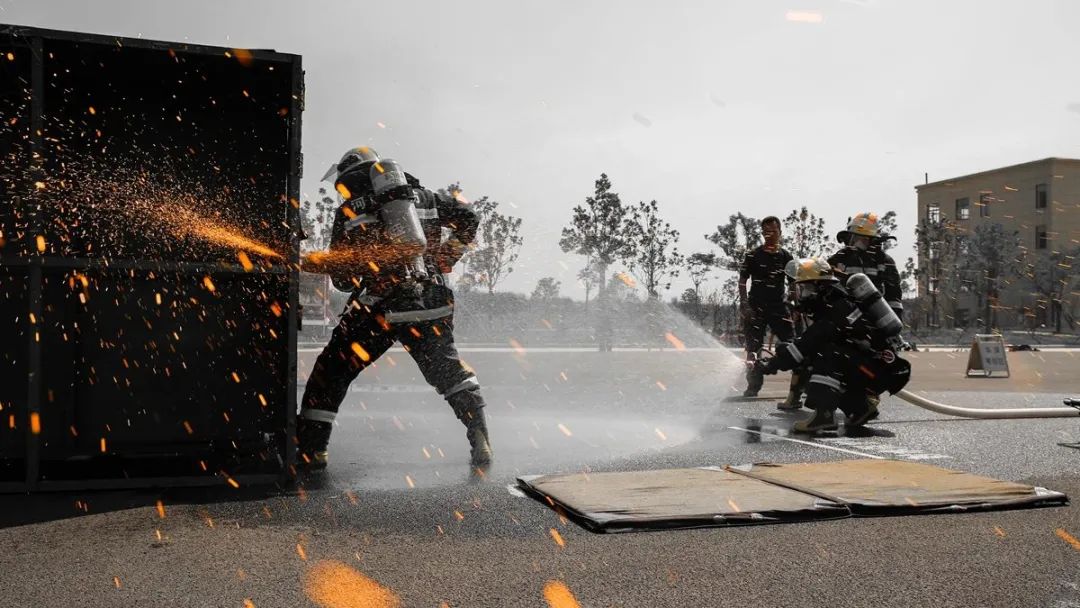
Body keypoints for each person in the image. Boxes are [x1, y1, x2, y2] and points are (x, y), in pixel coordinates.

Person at [297, 146, 493, 471]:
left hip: (379, 305)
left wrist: (335, 264)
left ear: (349, 178)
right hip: (431, 300)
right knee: (447, 372)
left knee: (332, 372)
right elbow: (469, 218)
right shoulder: (426, 197)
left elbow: (344, 281)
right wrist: (446, 256)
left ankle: (313, 450)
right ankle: (480, 435)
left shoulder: (348, 211)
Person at [753, 257, 911, 433]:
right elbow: (805, 344)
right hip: (873, 368)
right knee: (820, 357)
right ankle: (860, 408)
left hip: (878, 370)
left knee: (827, 356)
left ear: (818, 287)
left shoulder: (835, 309)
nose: (801, 294)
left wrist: (770, 365)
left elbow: (805, 345)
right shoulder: (835, 303)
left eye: (805, 288)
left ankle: (824, 416)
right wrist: (781, 356)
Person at [827, 212, 904, 414]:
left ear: (871, 239)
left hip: (877, 319)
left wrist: (894, 324)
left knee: (875, 363)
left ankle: (868, 400)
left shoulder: (885, 261)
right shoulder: (839, 258)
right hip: (848, 318)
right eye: (854, 238)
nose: (856, 242)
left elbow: (894, 294)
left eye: (861, 238)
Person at [737, 216, 794, 397]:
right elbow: (742, 281)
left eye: (774, 232)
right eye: (766, 232)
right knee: (753, 348)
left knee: (793, 345)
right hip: (755, 308)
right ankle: (753, 386)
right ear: (762, 233)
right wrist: (744, 305)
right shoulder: (753, 255)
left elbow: (793, 283)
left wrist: (795, 304)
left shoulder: (786, 257)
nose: (770, 236)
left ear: (780, 233)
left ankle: (798, 389)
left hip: (779, 307)